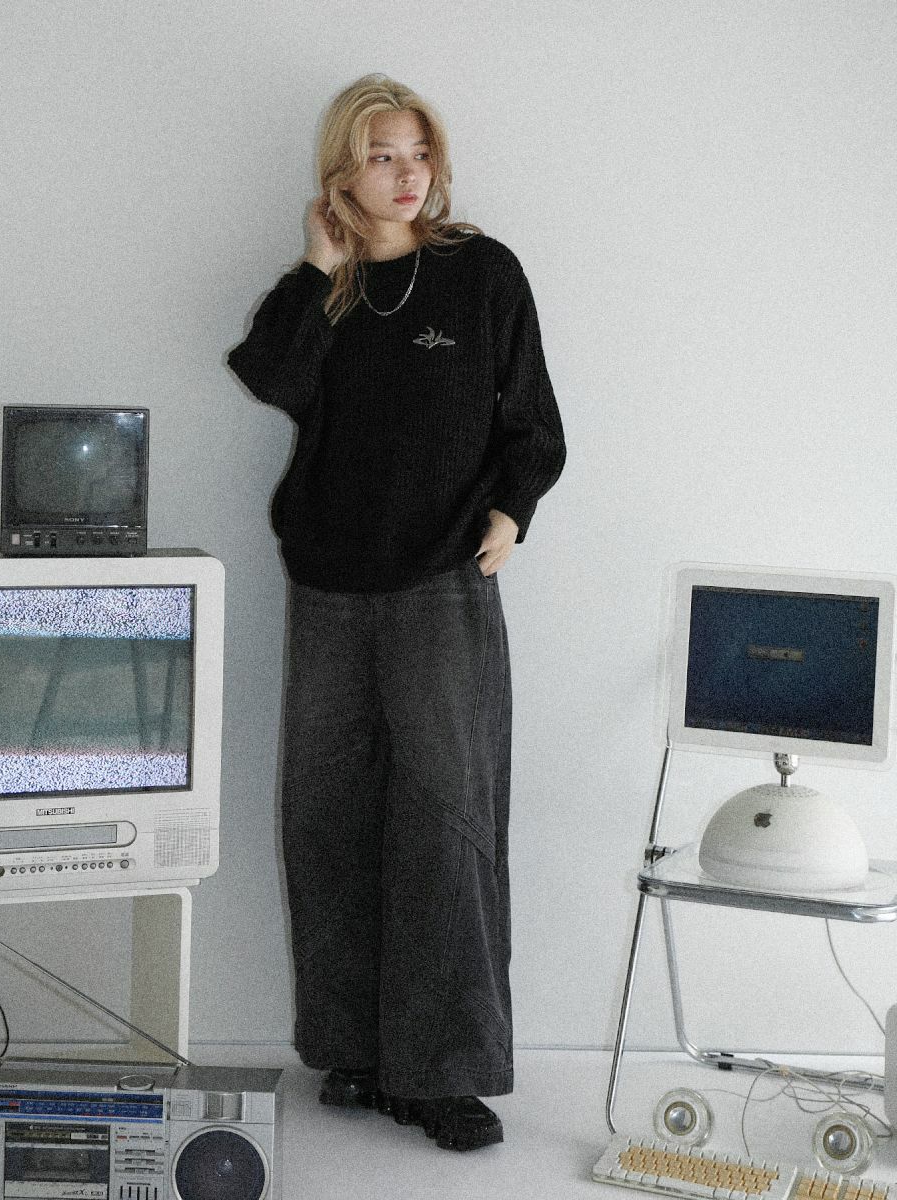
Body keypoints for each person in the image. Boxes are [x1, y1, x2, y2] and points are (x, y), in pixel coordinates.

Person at [227, 73, 565, 1152]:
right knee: (327, 819)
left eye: (418, 152)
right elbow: (267, 376)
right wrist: (317, 264)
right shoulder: (324, 296)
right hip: (328, 591)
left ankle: (442, 1073)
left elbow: (534, 421)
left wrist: (512, 510)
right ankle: (361, 1055)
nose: (407, 173)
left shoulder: (481, 274)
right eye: (382, 155)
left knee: (446, 823)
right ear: (343, 170)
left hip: (439, 585)